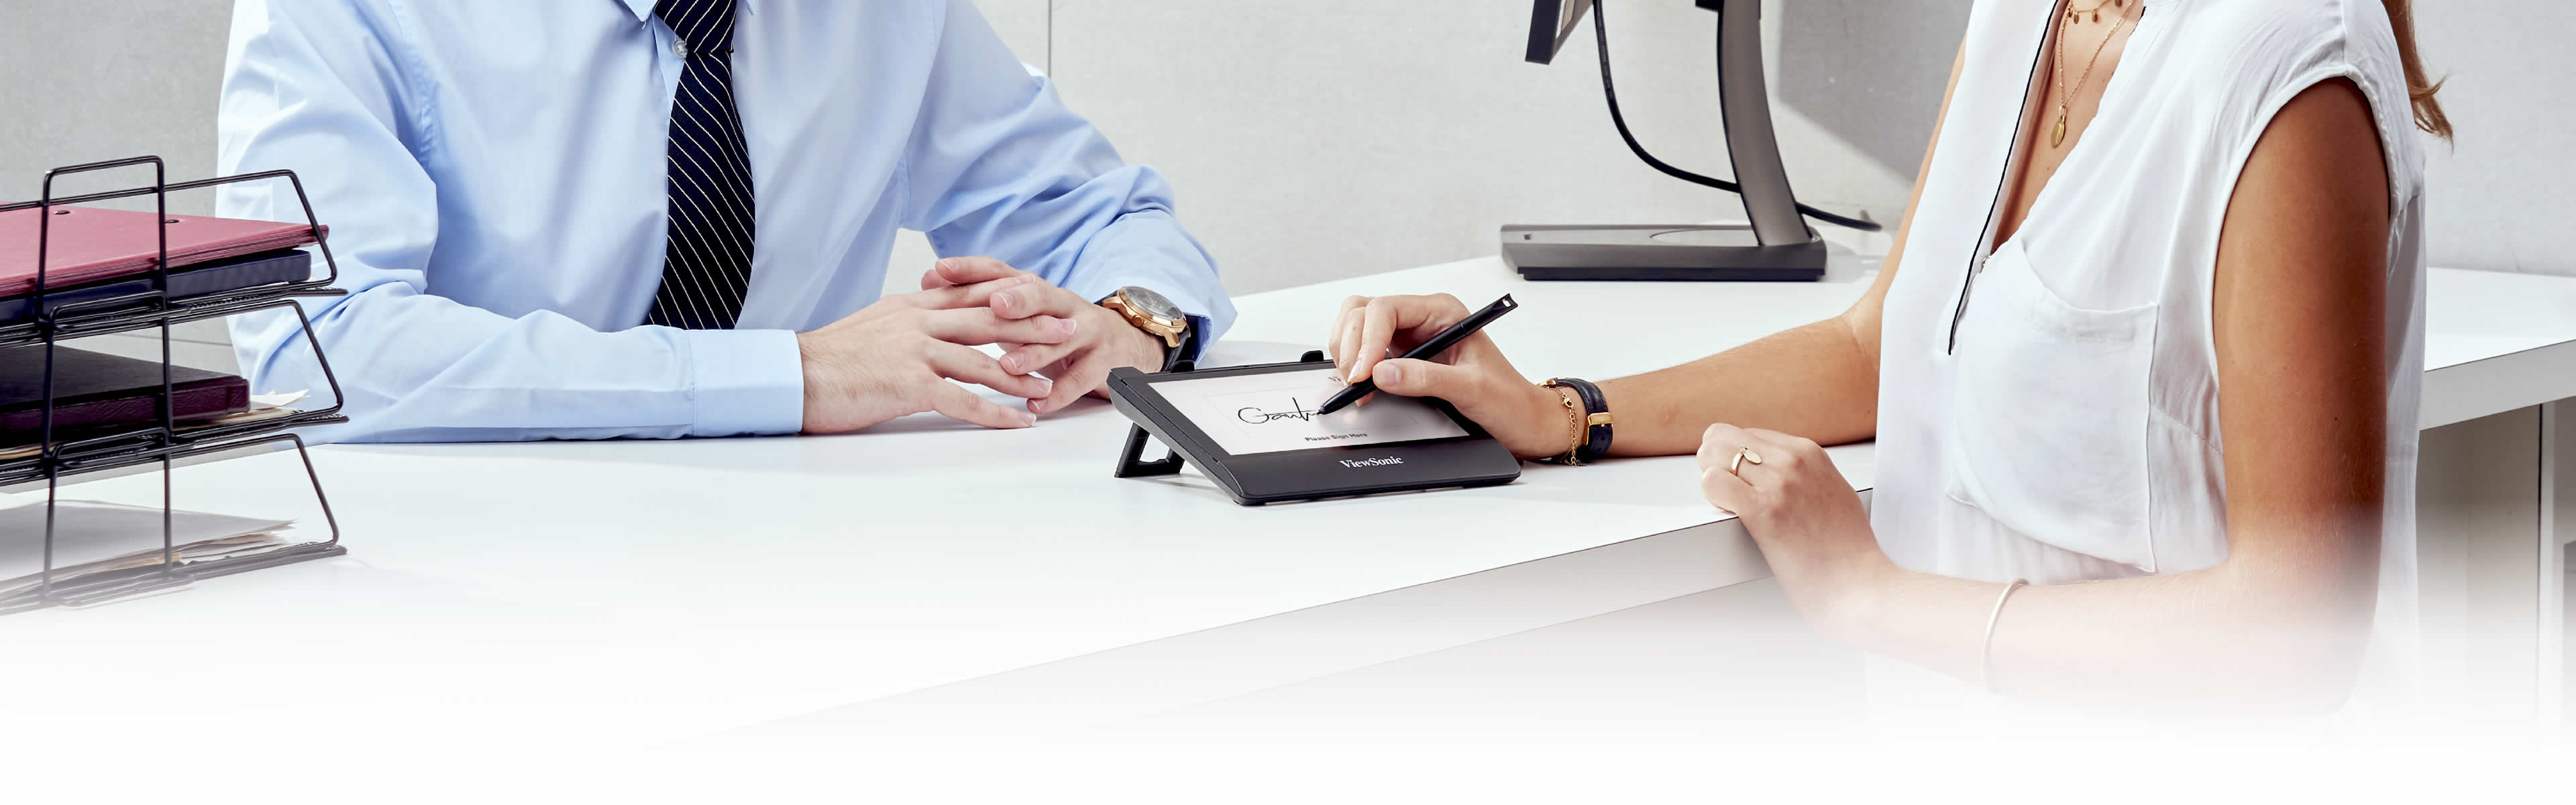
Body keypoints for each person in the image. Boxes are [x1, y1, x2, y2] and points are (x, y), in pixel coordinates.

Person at [1329, 0, 2447, 708]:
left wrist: (1866, 596)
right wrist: (1565, 414)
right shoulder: (2030, 14)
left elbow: (2296, 627)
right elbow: (1883, 348)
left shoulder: (2284, 67)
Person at [214, 0, 1234, 442]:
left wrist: (1133, 322)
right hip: (458, 575)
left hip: (797, 550)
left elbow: (1083, 208)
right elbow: (319, 346)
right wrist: (798, 376)